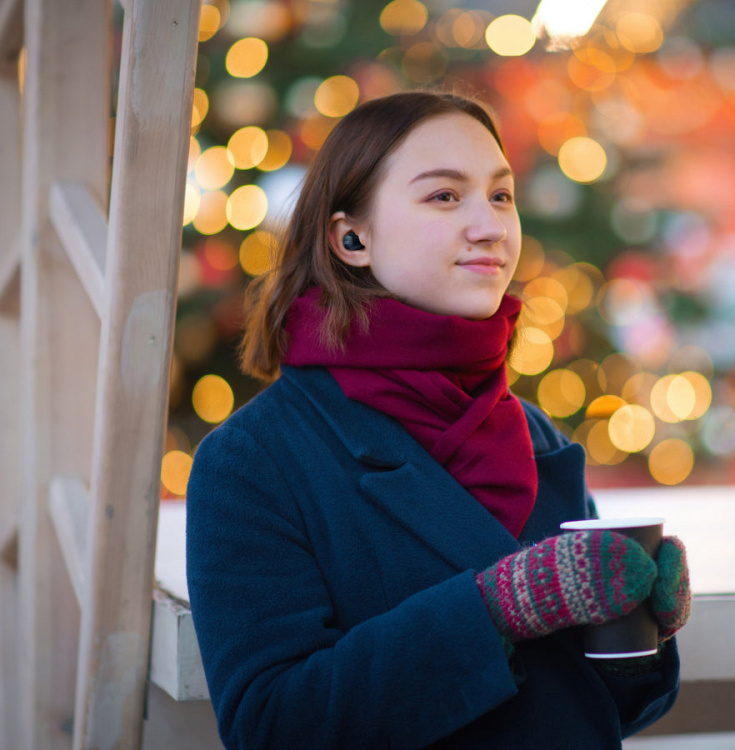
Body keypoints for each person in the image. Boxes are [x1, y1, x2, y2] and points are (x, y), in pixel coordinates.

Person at [186, 90, 691, 750]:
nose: (489, 226)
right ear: (351, 237)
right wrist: (496, 609)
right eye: (445, 197)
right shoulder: (254, 460)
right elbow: (271, 726)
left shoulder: (534, 435)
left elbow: (589, 712)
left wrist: (640, 628)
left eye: (501, 196)